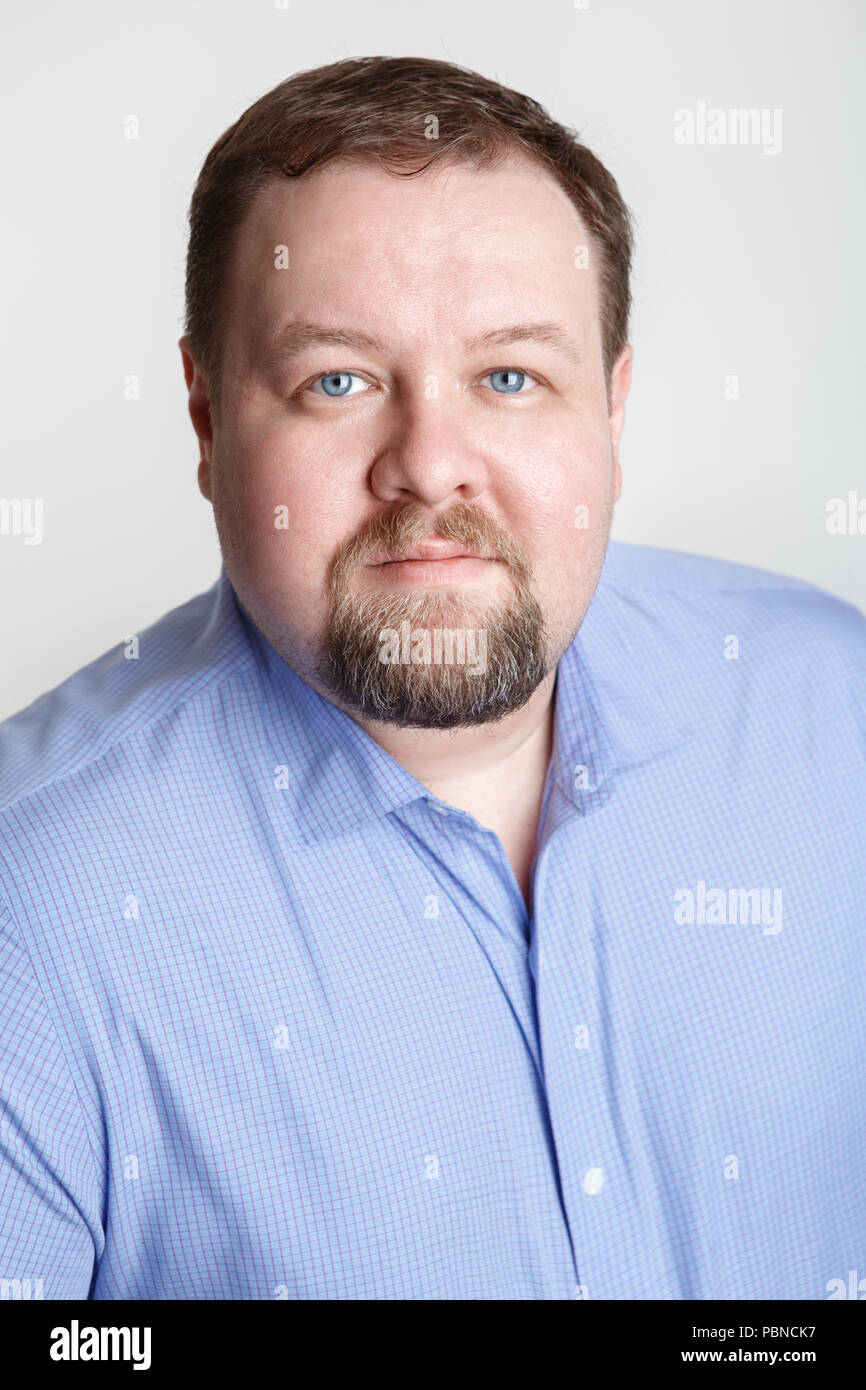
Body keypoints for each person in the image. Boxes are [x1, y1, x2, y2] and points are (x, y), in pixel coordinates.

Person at [1, 55, 864, 1302]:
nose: (430, 465)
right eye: (336, 381)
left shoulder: (829, 715)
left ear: (611, 413)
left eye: (510, 376)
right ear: (203, 417)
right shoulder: (33, 913)